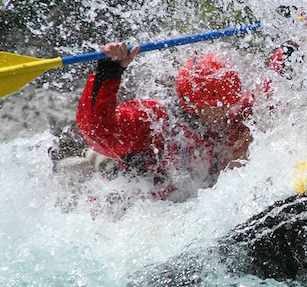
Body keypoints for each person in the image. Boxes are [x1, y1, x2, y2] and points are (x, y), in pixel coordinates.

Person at [76, 42, 258, 200]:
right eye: (219, 105)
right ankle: (96, 162)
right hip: (134, 213)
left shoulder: (228, 119)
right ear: (194, 105)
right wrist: (108, 73)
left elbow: (269, 94)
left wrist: (285, 52)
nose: (227, 109)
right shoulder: (152, 121)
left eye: (230, 102)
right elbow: (98, 131)